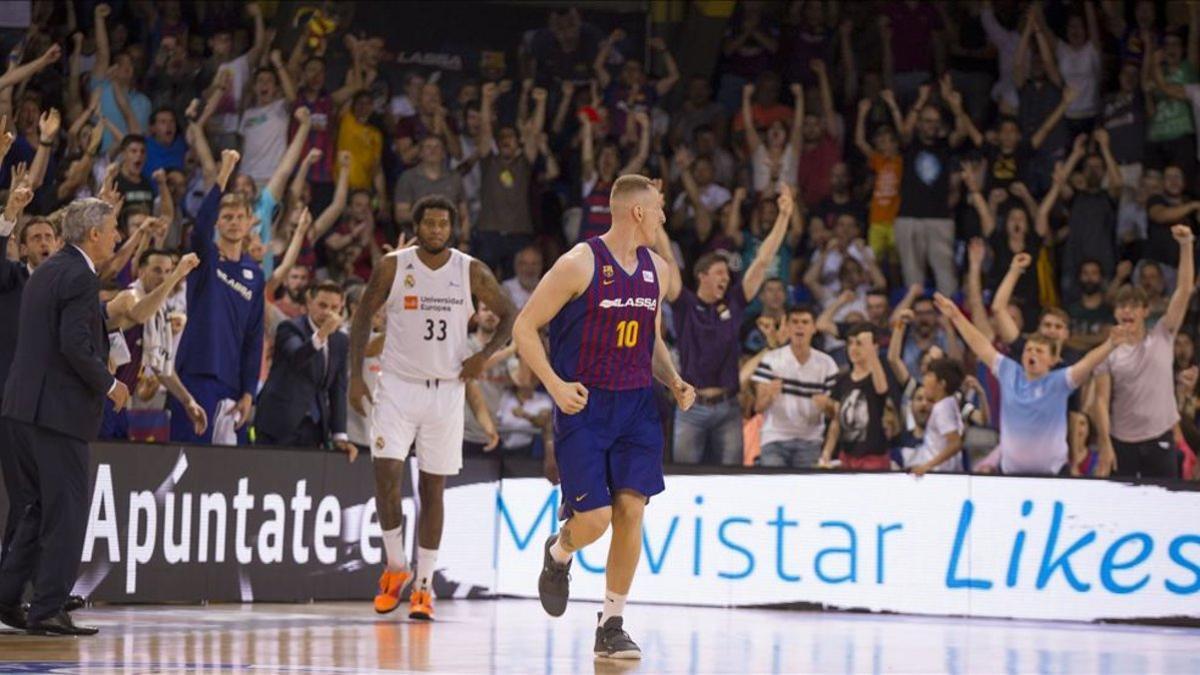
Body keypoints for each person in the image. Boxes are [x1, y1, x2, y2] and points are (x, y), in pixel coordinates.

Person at [511, 174, 695, 659]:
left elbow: (650, 340)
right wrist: (554, 385)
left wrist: (672, 379)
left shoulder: (656, 269)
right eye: (658, 209)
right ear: (638, 212)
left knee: (632, 510)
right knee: (593, 521)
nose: (662, 216)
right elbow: (524, 327)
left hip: (636, 408)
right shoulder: (578, 263)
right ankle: (559, 552)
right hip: (586, 408)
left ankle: (611, 624)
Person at [349, 195, 514, 621]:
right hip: (398, 387)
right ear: (417, 226)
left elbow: (511, 313)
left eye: (443, 224)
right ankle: (394, 567)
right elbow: (364, 315)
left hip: (446, 391)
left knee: (432, 488)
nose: (436, 230)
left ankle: (424, 585)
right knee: (385, 472)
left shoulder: (470, 270)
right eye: (430, 224)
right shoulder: (394, 265)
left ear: (452, 228)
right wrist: (353, 377)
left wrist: (485, 354)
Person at [0, 198, 129, 636]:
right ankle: (48, 608)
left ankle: (7, 597)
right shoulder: (78, 276)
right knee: (65, 512)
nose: (117, 236)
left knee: (35, 509)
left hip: (20, 408)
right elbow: (74, 344)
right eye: (113, 228)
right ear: (93, 234)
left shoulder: (49, 271)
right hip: (57, 414)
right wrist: (111, 385)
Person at [664, 185, 795, 465]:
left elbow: (762, 262)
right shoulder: (684, 304)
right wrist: (654, 218)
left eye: (727, 273)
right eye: (719, 273)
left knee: (732, 479)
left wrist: (784, 217)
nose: (726, 278)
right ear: (702, 276)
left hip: (728, 408)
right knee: (684, 480)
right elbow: (667, 259)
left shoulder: (734, 301)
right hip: (691, 407)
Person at [934, 293, 1129, 476]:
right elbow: (981, 344)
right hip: (1011, 475)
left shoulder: (1060, 381)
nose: (1032, 354)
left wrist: (1110, 344)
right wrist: (956, 316)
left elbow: (1088, 362)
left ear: (1053, 360)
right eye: (1028, 349)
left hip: (1052, 475)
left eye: (1039, 351)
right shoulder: (1009, 371)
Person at [171, 150, 263, 444]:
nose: (234, 222)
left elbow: (254, 337)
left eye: (240, 217)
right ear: (217, 223)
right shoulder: (205, 259)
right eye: (227, 217)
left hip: (232, 384)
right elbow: (199, 227)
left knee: (224, 479)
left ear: (250, 222)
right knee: (187, 462)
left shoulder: (255, 274)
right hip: (196, 373)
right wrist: (224, 172)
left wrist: (249, 390)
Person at [1094, 225, 1195, 478]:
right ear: (1116, 312)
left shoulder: (1163, 334)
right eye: (1122, 306)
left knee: (1162, 509)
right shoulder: (1107, 351)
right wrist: (1105, 444)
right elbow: (1100, 401)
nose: (1127, 311)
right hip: (1122, 441)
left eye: (1133, 306)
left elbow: (1183, 291)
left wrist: (1186, 246)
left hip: (1160, 436)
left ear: (1145, 311)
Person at [256, 282, 356, 457]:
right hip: (279, 424)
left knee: (307, 481)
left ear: (341, 307)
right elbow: (297, 357)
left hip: (315, 426)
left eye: (334, 307)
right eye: (322, 305)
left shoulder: (340, 340)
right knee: (271, 480)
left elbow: (337, 389)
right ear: (310, 302)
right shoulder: (290, 328)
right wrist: (322, 334)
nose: (328, 312)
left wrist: (340, 435)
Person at [751, 306, 838, 468]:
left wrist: (827, 405)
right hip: (775, 439)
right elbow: (758, 407)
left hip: (810, 441)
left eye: (805, 322)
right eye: (795, 322)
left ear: (813, 328)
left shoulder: (827, 364)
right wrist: (769, 395)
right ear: (788, 327)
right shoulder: (771, 360)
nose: (800, 326)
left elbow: (835, 413)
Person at [819, 323, 892, 470]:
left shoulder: (878, 376)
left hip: (873, 457)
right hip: (847, 456)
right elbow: (836, 422)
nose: (853, 348)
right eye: (850, 343)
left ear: (874, 347)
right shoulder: (842, 380)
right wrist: (827, 452)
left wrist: (871, 349)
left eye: (859, 344)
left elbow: (882, 389)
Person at [909, 357, 966, 475]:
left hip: (940, 474)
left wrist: (927, 466)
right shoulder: (950, 403)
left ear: (941, 384)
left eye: (929, 375)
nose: (924, 379)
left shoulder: (942, 408)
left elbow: (955, 443)